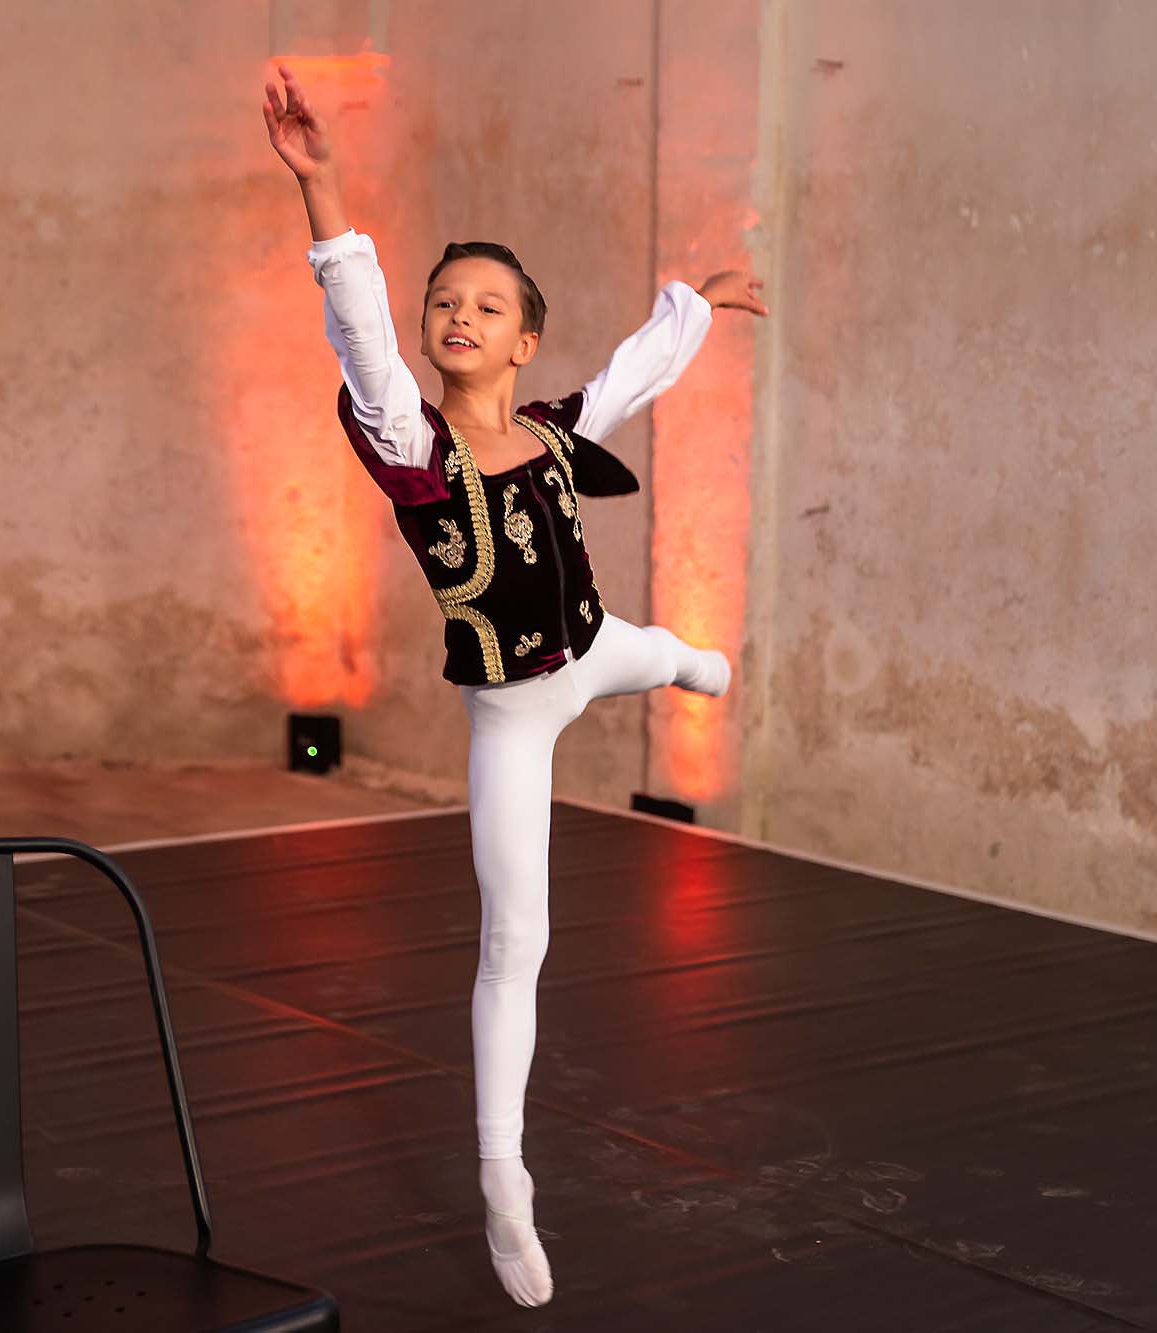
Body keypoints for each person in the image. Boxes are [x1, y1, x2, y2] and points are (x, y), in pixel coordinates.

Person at [264, 64, 768, 1308]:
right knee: (516, 941)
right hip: (512, 712)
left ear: (521, 340)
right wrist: (324, 187)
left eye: (486, 304)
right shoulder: (412, 447)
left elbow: (632, 376)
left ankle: (692, 664)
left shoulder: (550, 428)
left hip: (595, 649)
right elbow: (359, 334)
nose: (458, 314)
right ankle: (504, 1179)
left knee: (658, 652)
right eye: (444, 300)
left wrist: (697, 305)